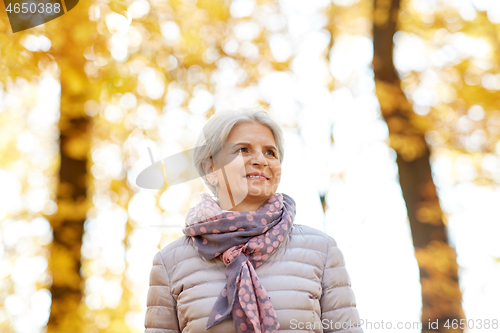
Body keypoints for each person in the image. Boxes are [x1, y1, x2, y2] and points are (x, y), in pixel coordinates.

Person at [144, 107, 363, 333]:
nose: (260, 160)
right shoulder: (169, 263)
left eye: (270, 152)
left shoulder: (322, 251)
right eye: (243, 150)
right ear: (211, 169)